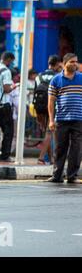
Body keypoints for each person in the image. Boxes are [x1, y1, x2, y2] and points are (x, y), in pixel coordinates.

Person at [47, 53, 82, 184]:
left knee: (76, 148)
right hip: (61, 120)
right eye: (72, 62)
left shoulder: (81, 78)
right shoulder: (56, 80)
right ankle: (57, 175)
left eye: (76, 62)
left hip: (79, 119)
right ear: (64, 63)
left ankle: (72, 176)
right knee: (60, 148)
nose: (75, 64)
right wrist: (51, 120)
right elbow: (50, 102)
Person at [34, 55, 63, 165]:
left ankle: (51, 159)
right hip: (52, 106)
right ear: (57, 65)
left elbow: (35, 94)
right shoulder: (57, 76)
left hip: (39, 107)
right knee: (49, 132)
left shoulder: (38, 76)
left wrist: (37, 112)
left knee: (47, 133)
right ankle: (41, 158)